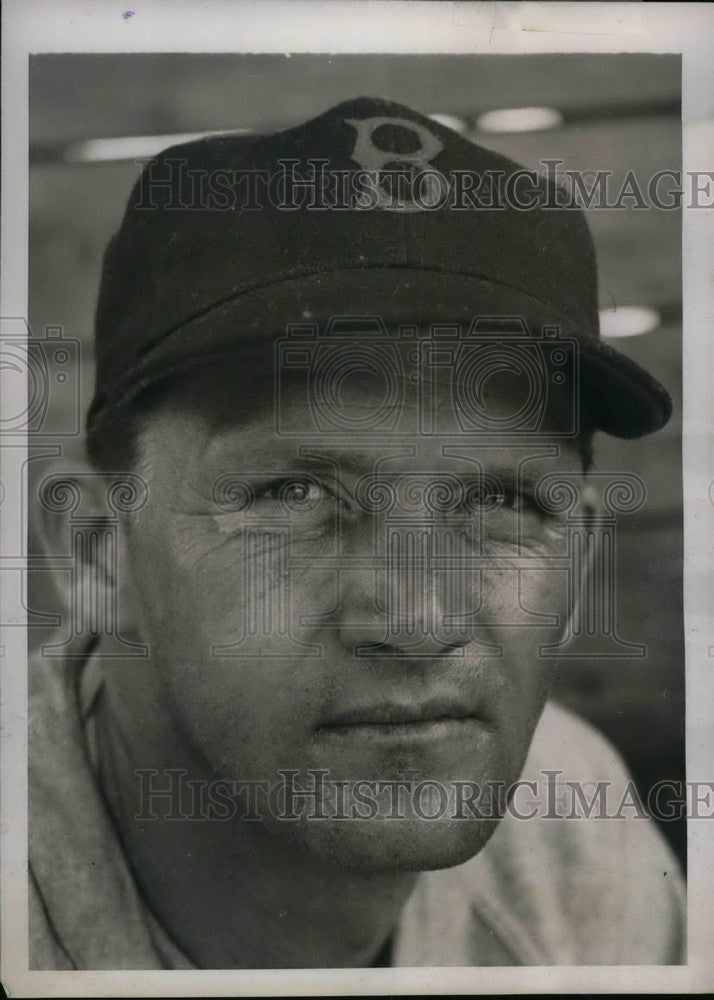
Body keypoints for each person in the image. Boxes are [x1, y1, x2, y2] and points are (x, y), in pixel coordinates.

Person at [29, 97, 684, 969]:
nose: (417, 620)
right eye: (295, 492)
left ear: (579, 562)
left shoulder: (572, 828)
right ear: (99, 552)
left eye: (504, 502)